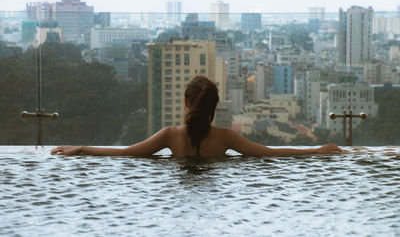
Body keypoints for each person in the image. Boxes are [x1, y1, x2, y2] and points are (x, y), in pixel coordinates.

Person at [51, 76, 342, 157]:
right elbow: (268, 153)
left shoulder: (170, 136)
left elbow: (125, 153)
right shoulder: (225, 138)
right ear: (215, 106)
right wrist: (315, 150)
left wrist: (82, 149)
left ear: (186, 101)